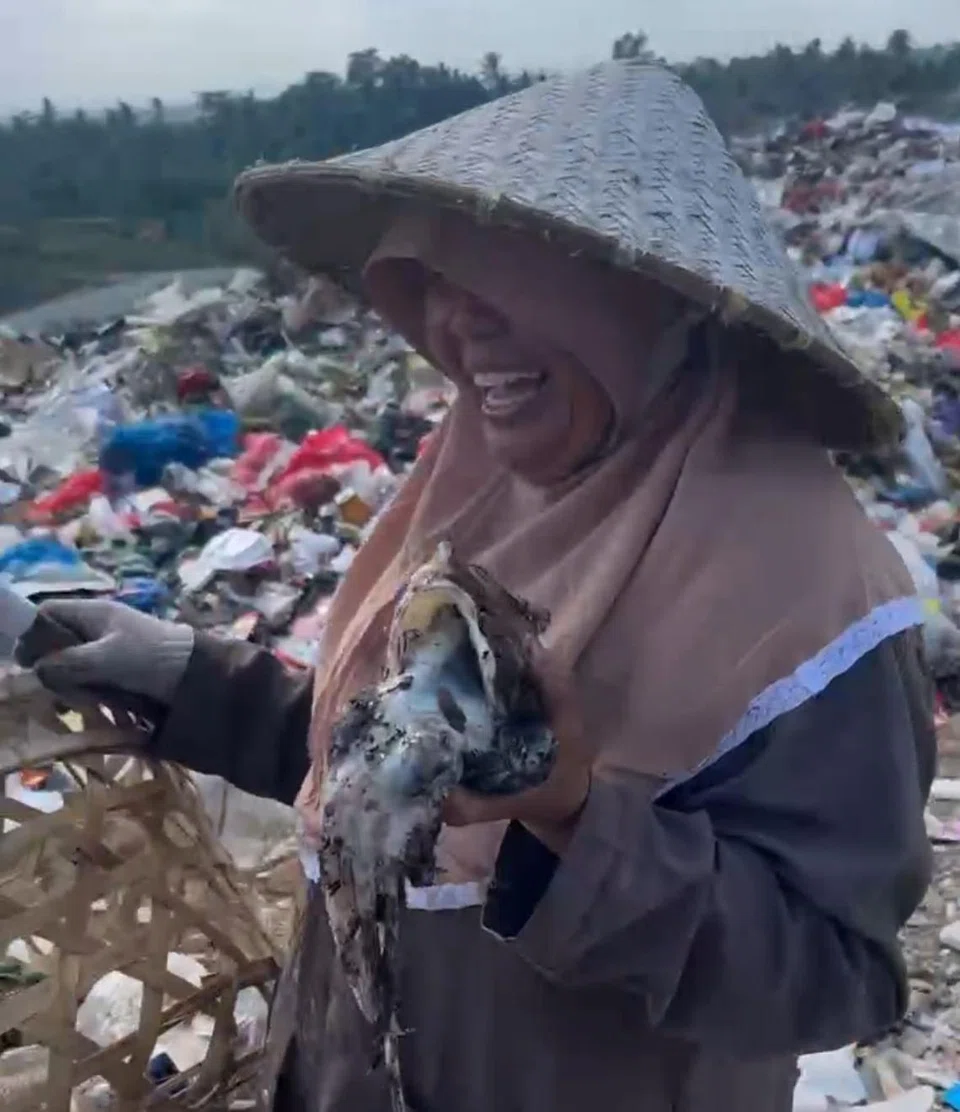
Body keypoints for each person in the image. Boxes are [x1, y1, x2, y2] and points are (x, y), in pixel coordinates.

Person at [20, 61, 934, 1112]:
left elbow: (830, 976)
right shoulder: (476, 483)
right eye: (442, 286)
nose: (464, 328)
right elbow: (388, 773)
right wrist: (189, 677)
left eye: (512, 284)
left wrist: (579, 818)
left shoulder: (809, 596)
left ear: (654, 302)